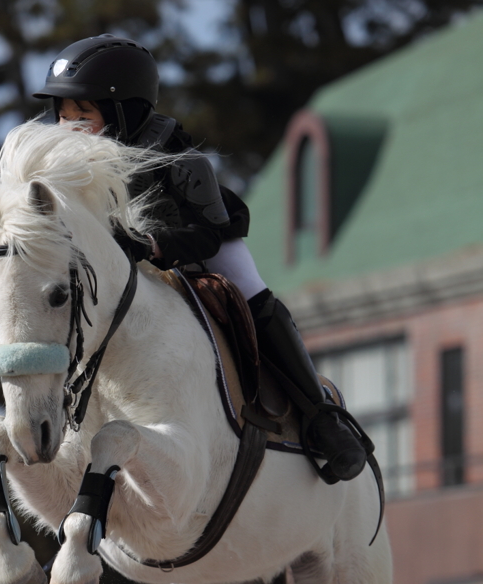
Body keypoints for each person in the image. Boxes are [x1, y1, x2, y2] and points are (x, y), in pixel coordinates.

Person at [33, 35, 368, 484]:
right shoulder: (59, 164)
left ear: (122, 113)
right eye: (64, 115)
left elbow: (209, 234)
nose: (69, 126)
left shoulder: (182, 162)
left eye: (83, 115)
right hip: (121, 266)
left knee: (253, 297)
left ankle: (323, 419)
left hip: (197, 247)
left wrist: (153, 248)